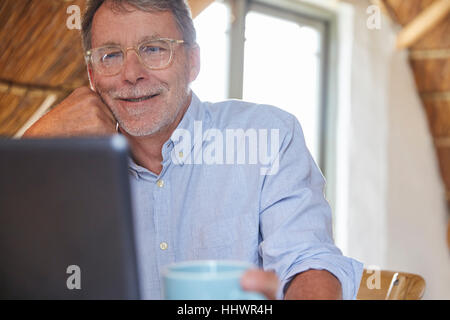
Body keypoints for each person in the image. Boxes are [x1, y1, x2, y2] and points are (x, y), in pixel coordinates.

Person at [24, 0, 363, 299]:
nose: (131, 73)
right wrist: (31, 145)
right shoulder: (60, 172)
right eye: (110, 55)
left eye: (154, 49)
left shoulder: (269, 138)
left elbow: (307, 263)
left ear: (193, 61)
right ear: (92, 75)